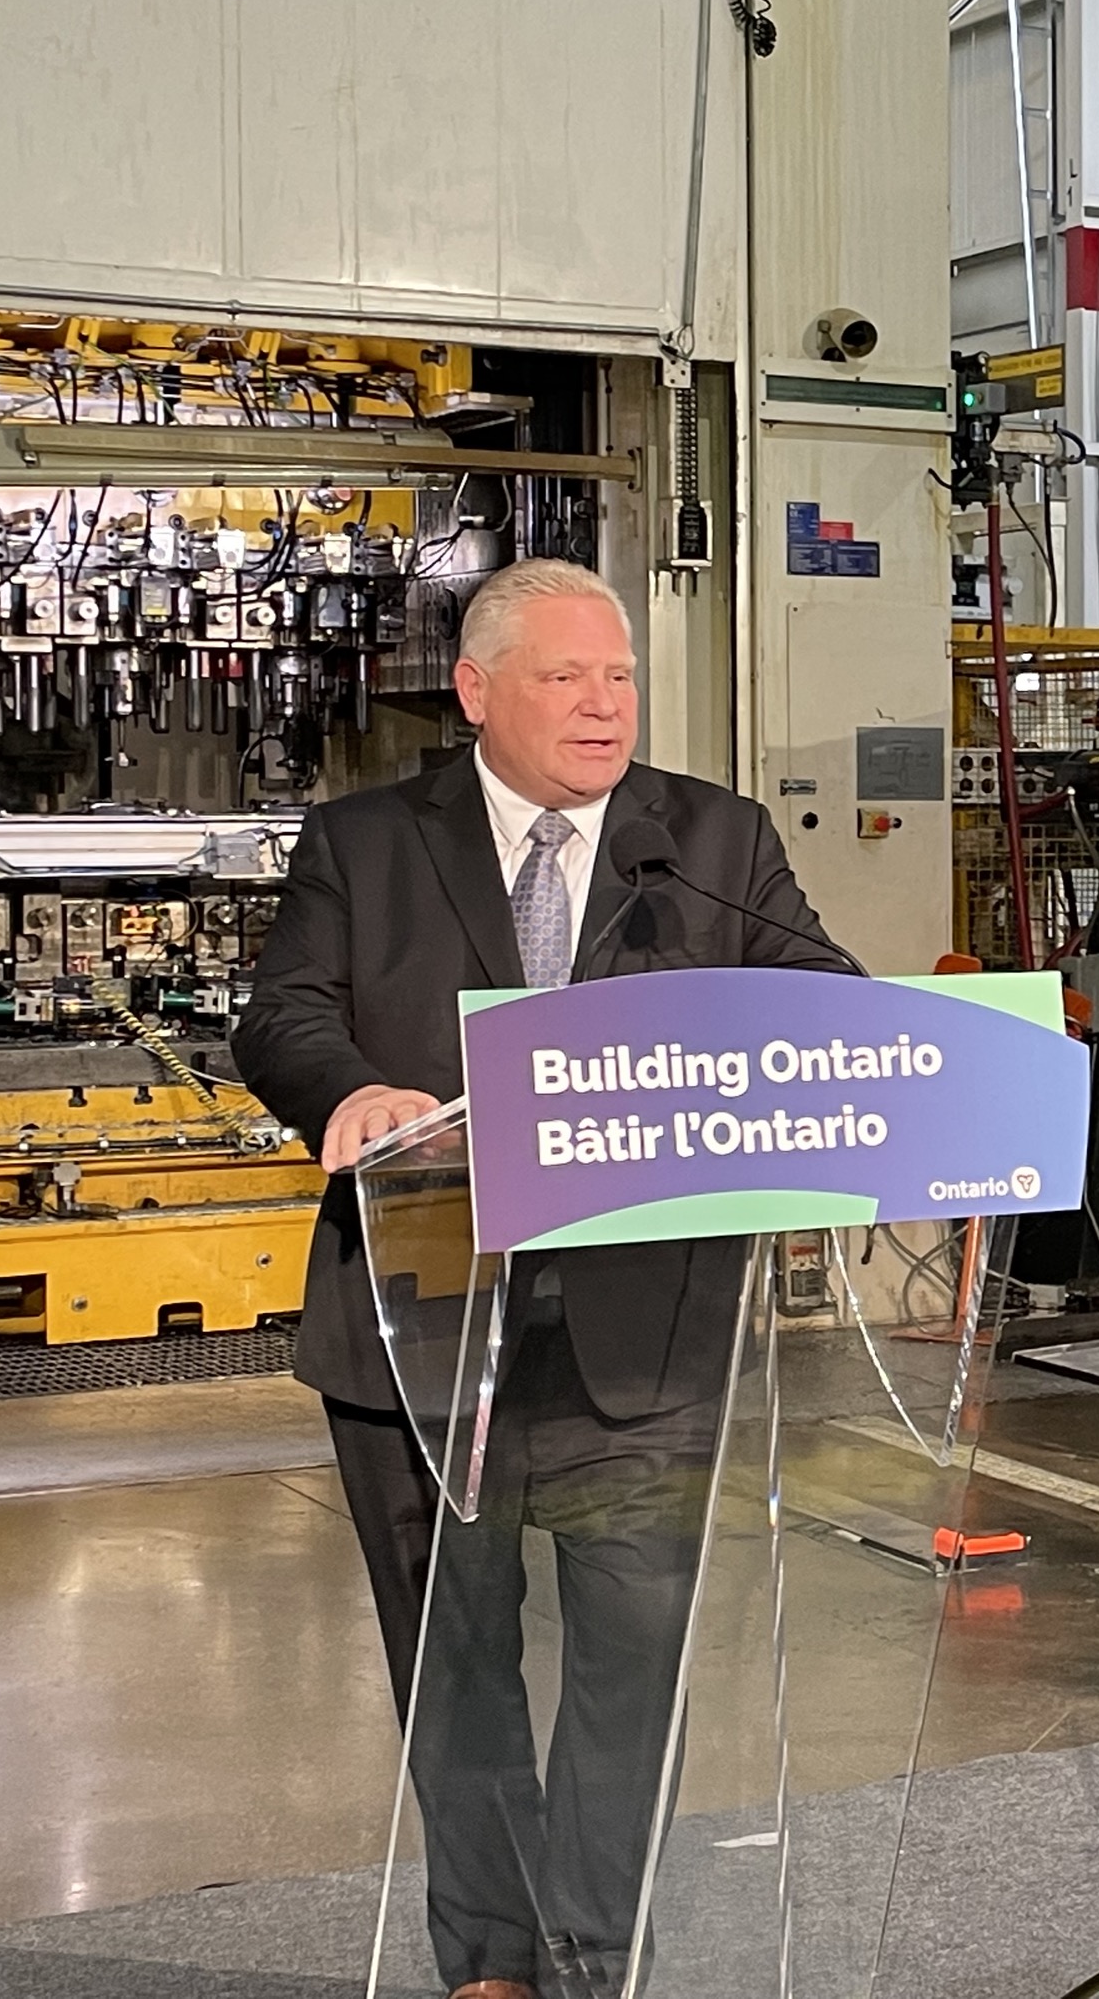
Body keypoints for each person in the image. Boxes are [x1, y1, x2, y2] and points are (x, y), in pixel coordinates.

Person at [236, 558, 856, 1999]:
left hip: (643, 1338)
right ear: (476, 690)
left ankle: (593, 1955)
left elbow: (819, 991)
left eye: (621, 676)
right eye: (567, 675)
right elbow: (285, 1017)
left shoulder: (711, 838)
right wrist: (351, 1091)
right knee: (456, 1671)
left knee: (629, 1674)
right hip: (421, 1328)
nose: (604, 703)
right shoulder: (365, 838)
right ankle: (491, 1961)